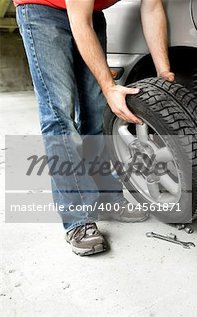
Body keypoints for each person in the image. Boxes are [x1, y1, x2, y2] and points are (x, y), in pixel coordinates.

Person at [14, 0, 175, 256]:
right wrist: (109, 87)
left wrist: (164, 71)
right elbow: (80, 22)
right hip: (41, 11)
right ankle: (77, 219)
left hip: (91, 14)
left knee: (97, 111)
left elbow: (152, 7)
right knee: (60, 115)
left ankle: (108, 199)